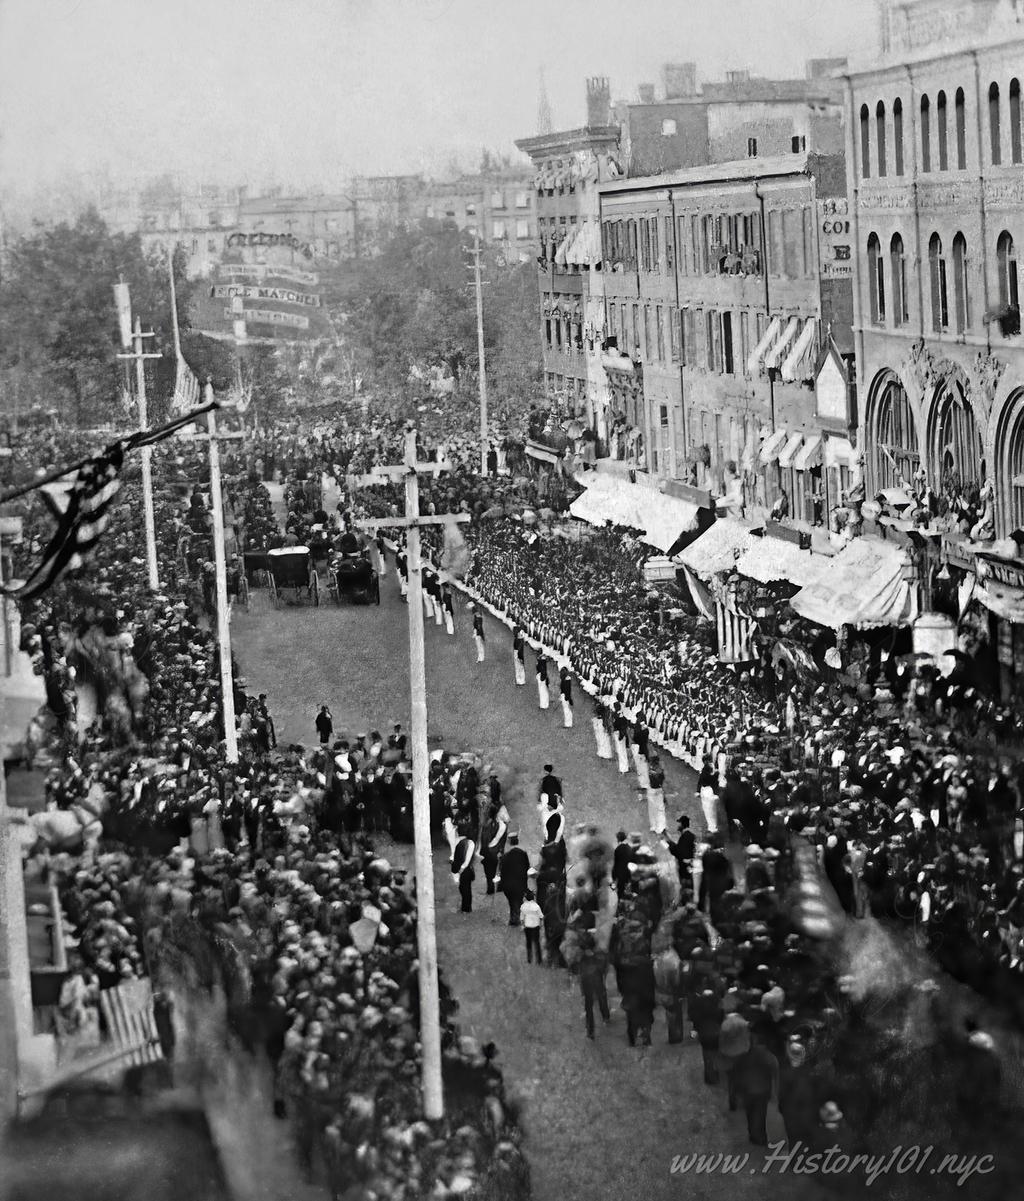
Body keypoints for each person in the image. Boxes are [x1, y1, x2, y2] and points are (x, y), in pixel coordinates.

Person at [731, 1030, 779, 1146]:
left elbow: (737, 1072)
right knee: (760, 1114)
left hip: (747, 1089)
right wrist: (775, 1092)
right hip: (762, 1090)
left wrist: (737, 1090)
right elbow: (775, 1072)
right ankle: (760, 1137)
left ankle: (753, 1134)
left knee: (750, 1112)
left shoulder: (744, 1055)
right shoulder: (768, 1056)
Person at [499, 835, 530, 925]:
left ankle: (513, 918)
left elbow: (502, 871)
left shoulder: (505, 856)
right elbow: (527, 867)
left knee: (512, 902)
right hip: (520, 884)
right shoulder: (523, 854)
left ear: (509, 842)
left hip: (508, 885)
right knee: (518, 901)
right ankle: (516, 918)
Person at [480, 800, 509, 895]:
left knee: (489, 872)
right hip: (497, 850)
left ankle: (491, 888)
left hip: (490, 851)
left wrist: (484, 851)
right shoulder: (502, 825)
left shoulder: (486, 825)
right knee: (499, 868)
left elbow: (484, 840)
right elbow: (501, 839)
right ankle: (500, 886)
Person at [663, 815, 696, 891]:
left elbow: (679, 853)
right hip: (688, 869)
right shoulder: (689, 835)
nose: (677, 825)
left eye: (679, 823)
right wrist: (669, 840)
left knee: (686, 890)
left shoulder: (685, 837)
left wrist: (668, 843)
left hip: (685, 871)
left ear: (682, 824)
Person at [451, 830, 476, 914]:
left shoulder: (465, 843)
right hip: (465, 870)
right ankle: (465, 908)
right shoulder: (468, 843)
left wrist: (459, 872)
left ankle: (466, 909)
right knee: (465, 889)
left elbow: (465, 861)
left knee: (465, 890)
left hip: (464, 870)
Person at [520, 890, 543, 964]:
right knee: (537, 943)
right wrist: (541, 924)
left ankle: (529, 959)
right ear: (533, 898)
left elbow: (521, 918)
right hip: (536, 926)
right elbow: (541, 916)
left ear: (526, 898)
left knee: (528, 942)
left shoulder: (523, 906)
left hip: (527, 926)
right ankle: (539, 959)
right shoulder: (536, 906)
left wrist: (522, 925)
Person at [646, 753, 666, 836]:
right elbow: (662, 779)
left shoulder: (650, 769)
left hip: (651, 790)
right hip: (658, 790)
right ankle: (660, 828)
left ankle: (653, 826)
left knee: (652, 810)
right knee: (659, 810)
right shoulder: (659, 770)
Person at [612, 703, 630, 774]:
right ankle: (625, 766)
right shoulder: (622, 716)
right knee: (622, 751)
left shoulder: (618, 717)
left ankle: (623, 769)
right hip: (622, 734)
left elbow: (616, 725)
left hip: (620, 734)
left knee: (621, 752)